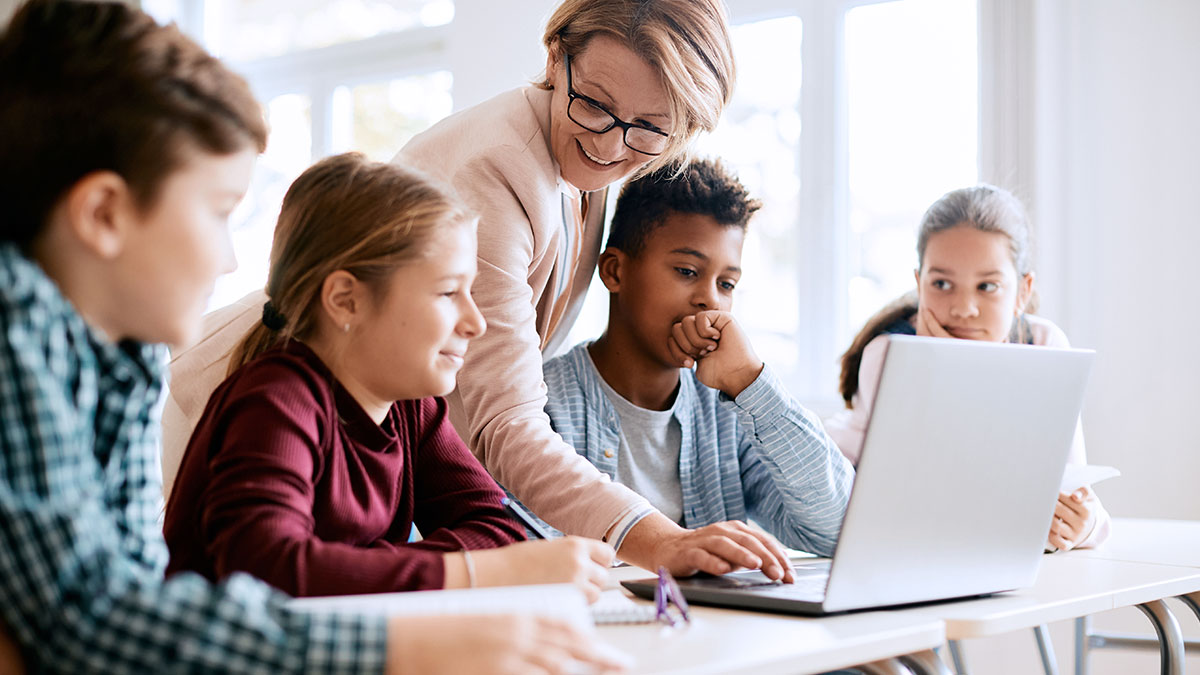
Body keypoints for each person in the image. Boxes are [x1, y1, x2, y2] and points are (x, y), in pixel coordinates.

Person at [0, 2, 621, 673]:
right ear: (103, 213)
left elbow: (131, 602)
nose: (229, 263)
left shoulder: (125, 354)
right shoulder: (20, 341)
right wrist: (422, 634)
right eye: (217, 212)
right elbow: (90, 622)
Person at [165, 0, 794, 582]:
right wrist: (656, 542)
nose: (609, 144)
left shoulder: (418, 406)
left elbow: (488, 522)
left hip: (374, 409)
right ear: (556, 59)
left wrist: (397, 566)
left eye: (648, 127)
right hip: (289, 406)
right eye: (595, 107)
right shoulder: (491, 172)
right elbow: (506, 425)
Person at [164, 153, 615, 602]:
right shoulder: (275, 402)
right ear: (345, 300)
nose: (475, 322)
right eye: (447, 292)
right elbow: (269, 572)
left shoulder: (410, 405)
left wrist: (358, 567)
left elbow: (499, 529)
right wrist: (476, 570)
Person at [520, 159, 854, 554]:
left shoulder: (730, 412)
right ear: (614, 271)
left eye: (726, 283)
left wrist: (750, 381)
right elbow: (533, 558)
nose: (710, 299)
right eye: (686, 271)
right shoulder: (540, 407)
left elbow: (838, 532)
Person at [824, 184, 1111, 551]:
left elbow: (1075, 487)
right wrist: (941, 371)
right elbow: (902, 500)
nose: (963, 308)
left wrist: (1086, 526)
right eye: (942, 284)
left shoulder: (1045, 346)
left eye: (987, 286)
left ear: (1023, 291)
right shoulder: (888, 355)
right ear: (919, 283)